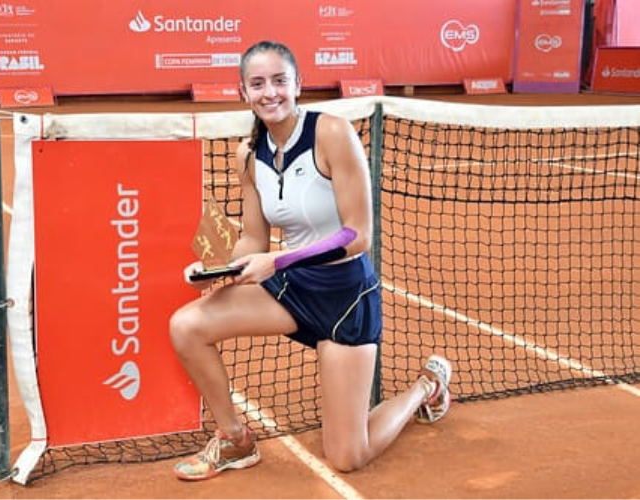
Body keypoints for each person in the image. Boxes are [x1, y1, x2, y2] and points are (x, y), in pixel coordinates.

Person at [169, 40, 452, 481]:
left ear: (298, 84)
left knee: (347, 456)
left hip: (344, 300)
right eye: (257, 84)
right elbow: (253, 239)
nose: (270, 93)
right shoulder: (248, 155)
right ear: (243, 91)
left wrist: (277, 261)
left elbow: (358, 236)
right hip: (290, 292)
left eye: (280, 81)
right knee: (187, 325)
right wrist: (214, 270)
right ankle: (234, 440)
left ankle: (425, 388)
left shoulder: (332, 134)